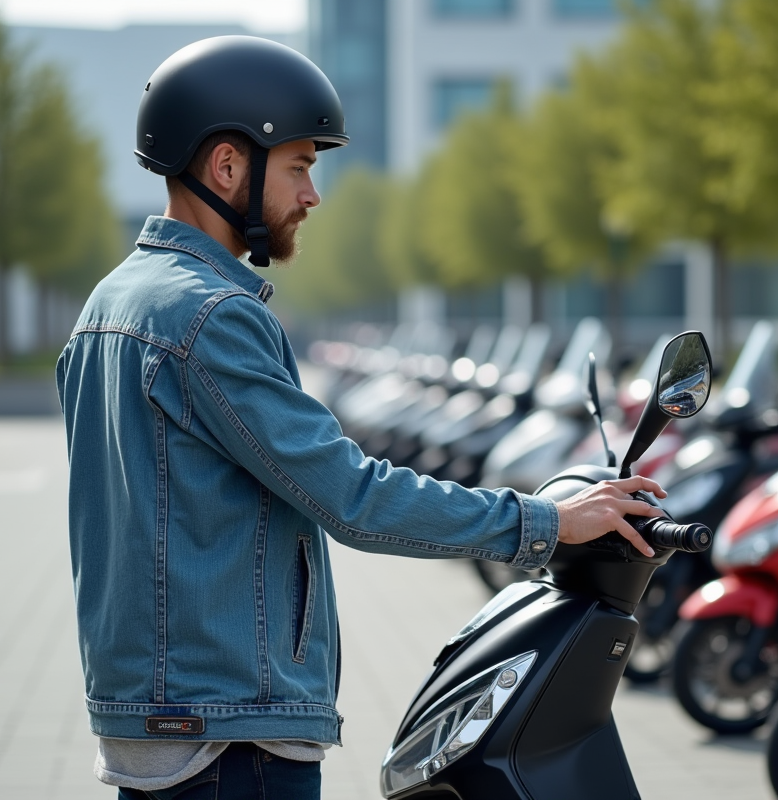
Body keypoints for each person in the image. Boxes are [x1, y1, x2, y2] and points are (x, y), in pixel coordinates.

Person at [56, 35, 666, 800]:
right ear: (226, 166)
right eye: (301, 166)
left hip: (157, 715)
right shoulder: (210, 315)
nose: (313, 195)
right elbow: (352, 495)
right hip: (227, 733)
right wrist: (546, 523)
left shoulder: (109, 306)